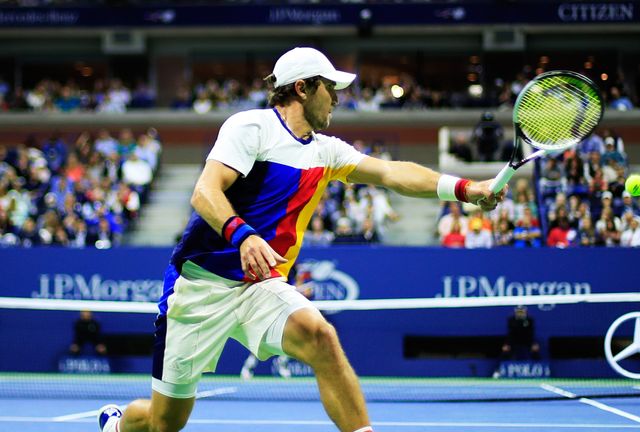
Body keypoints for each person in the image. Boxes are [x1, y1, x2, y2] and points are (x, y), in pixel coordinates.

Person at [97, 46, 504, 432]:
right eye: (330, 87)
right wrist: (243, 236)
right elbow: (205, 192)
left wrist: (466, 189)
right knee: (165, 423)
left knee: (320, 336)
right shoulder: (251, 128)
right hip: (200, 287)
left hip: (259, 286)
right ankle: (117, 425)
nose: (337, 98)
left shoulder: (327, 152)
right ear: (302, 88)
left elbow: (391, 173)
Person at [492, 306, 540, 378]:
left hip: (527, 340)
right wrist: (507, 344)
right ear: (515, 312)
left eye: (522, 311)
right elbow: (510, 333)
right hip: (514, 341)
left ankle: (539, 370)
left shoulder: (529, 320)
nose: (520, 313)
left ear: (525, 312)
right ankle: (497, 370)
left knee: (535, 349)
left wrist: (534, 343)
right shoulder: (511, 320)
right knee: (505, 351)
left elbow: (531, 333)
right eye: (518, 311)